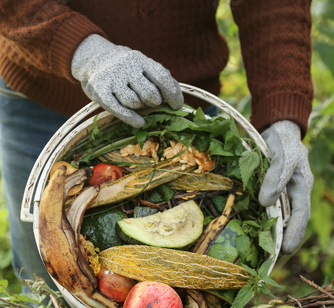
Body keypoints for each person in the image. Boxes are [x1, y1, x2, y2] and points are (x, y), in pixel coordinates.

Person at [0, 0, 314, 290]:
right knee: (45, 276)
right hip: (43, 89)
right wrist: (83, 50)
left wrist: (281, 113)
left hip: (182, 106)